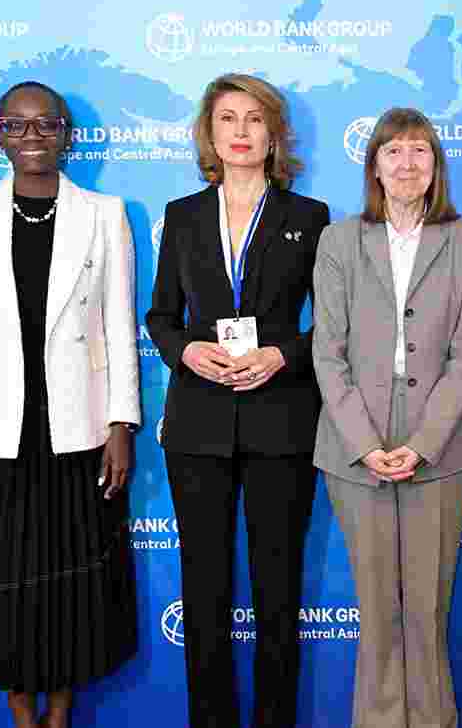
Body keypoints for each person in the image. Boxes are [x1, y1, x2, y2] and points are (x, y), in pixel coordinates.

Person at [0, 81, 140, 727]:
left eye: (46, 124)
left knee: (73, 575)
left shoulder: (104, 213)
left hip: (76, 424)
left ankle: (62, 710)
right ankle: (21, 709)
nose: (32, 137)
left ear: (67, 132)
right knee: (2, 572)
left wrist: (122, 422)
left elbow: (118, 324)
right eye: (16, 126)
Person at [146, 73, 330, 727]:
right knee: (205, 590)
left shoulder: (309, 218)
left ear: (274, 133)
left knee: (277, 591)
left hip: (282, 423)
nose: (242, 132)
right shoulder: (183, 216)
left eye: (255, 119)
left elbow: (332, 323)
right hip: (198, 425)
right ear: (211, 132)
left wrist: (283, 353)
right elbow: (161, 316)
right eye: (229, 119)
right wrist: (185, 351)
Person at [312, 107, 462, 728]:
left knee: (427, 606)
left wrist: (421, 443)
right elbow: (326, 352)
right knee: (376, 607)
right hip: (353, 449)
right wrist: (364, 444)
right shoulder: (339, 240)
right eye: (394, 152)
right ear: (375, 167)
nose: (407, 163)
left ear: (435, 165)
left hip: (438, 450)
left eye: (420, 151)